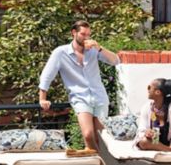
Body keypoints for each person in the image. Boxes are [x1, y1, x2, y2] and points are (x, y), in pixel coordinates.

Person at [38, 20, 119, 150]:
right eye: (83, 34)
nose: (86, 37)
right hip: (80, 97)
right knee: (88, 134)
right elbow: (47, 75)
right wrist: (42, 98)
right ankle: (95, 156)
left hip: (99, 97)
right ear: (74, 33)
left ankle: (98, 160)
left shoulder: (93, 50)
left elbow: (115, 61)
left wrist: (99, 48)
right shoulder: (61, 52)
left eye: (88, 35)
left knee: (101, 138)